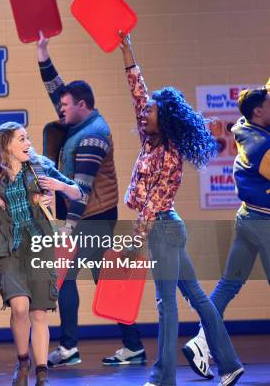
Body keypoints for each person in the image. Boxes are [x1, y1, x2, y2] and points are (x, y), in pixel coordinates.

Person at [118, 32, 244, 386]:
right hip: (166, 228)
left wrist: (134, 241)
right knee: (198, 299)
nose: (144, 112)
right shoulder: (150, 136)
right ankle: (230, 363)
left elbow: (155, 202)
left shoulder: (170, 154)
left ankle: (162, 377)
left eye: (151, 111)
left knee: (167, 306)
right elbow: (137, 89)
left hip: (161, 229)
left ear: (166, 118)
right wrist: (127, 50)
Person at [37, 32, 146, 367]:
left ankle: (69, 347)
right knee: (104, 277)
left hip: (92, 215)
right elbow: (57, 89)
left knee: (66, 276)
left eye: (65, 106)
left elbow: (81, 191)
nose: (60, 109)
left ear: (81, 106)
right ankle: (132, 345)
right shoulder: (79, 118)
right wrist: (43, 53)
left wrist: (68, 227)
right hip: (92, 214)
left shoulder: (93, 137)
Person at [182, 86, 270, 380]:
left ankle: (201, 341)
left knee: (229, 285)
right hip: (263, 222)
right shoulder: (260, 145)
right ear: (258, 110)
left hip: (248, 217)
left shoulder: (246, 125)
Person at [0, 122, 82, 386]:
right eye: (21, 139)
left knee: (39, 312)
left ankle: (41, 373)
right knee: (19, 307)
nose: (28, 143)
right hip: (9, 247)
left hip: (40, 244)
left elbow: (78, 192)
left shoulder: (39, 165)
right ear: (6, 144)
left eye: (28, 138)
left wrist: (59, 187)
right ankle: (22, 362)